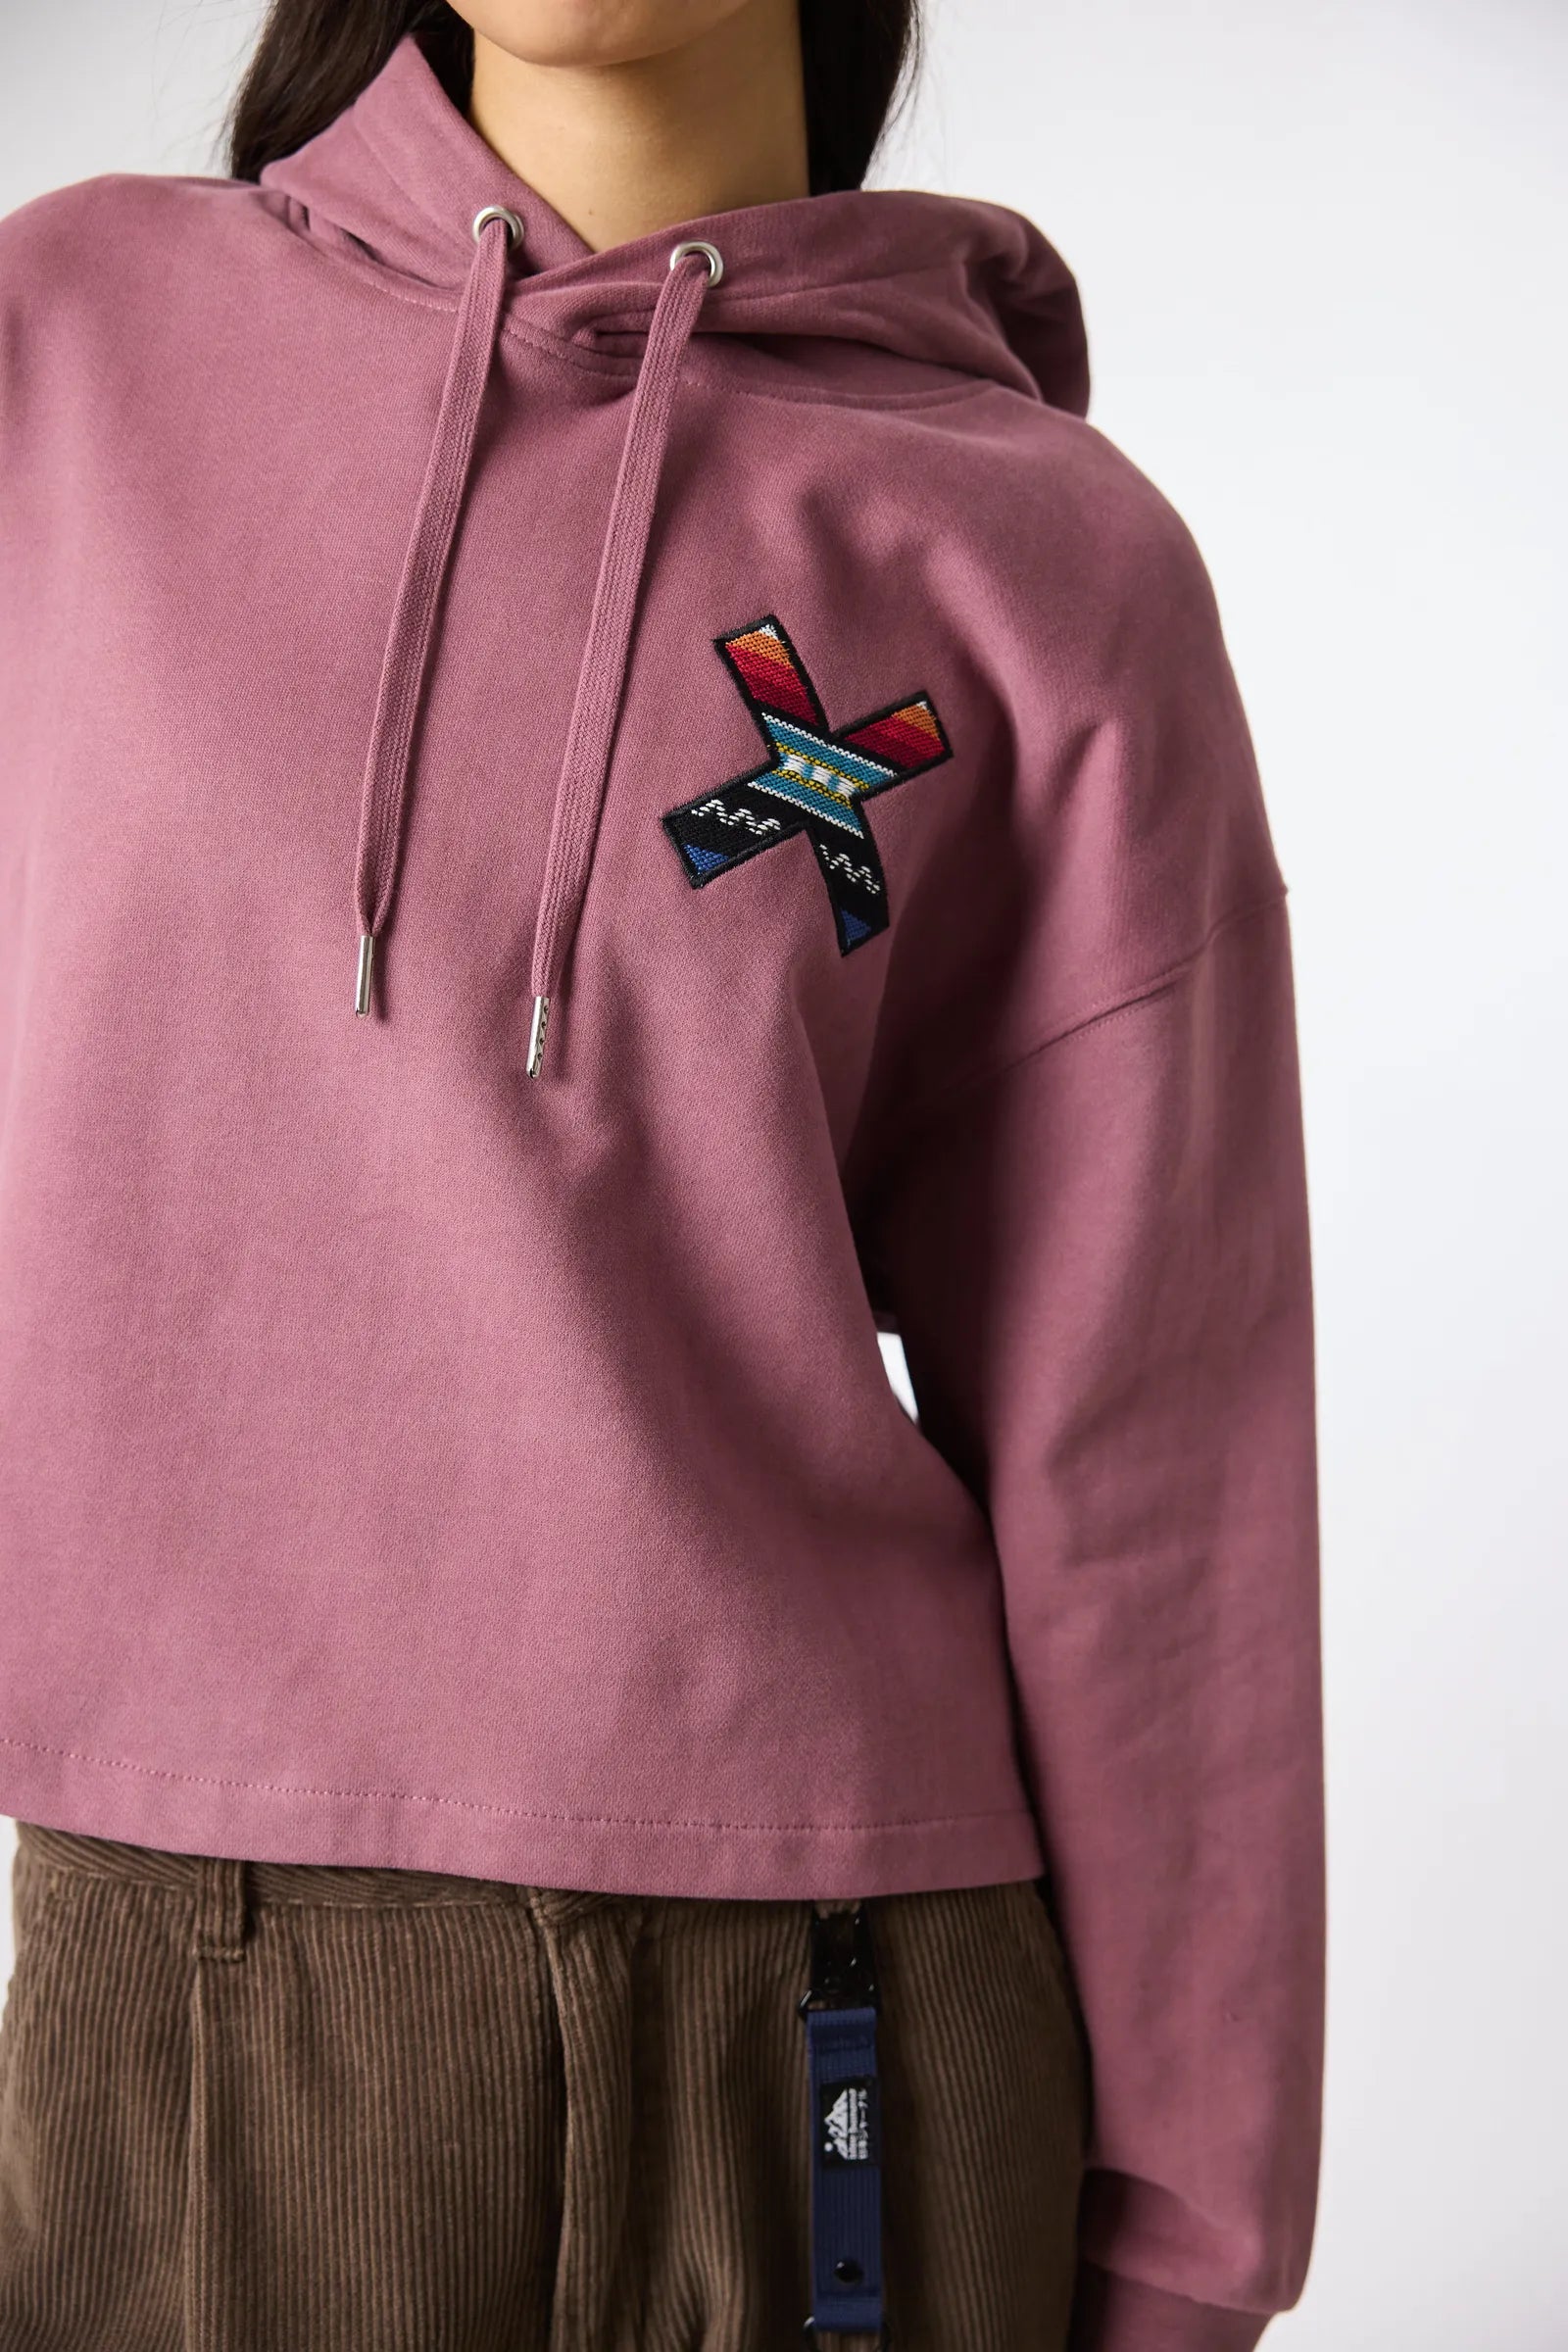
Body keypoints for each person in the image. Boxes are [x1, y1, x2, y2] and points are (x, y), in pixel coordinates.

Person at [0, 2, 1325, 2346]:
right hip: (199, 1989)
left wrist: (1188, 2244)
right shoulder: (68, 351)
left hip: (837, 2009)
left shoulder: (1040, 552)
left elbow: (1150, 1440)